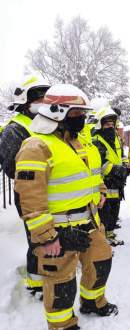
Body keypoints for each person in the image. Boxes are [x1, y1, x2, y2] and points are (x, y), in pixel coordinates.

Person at [15, 84, 117, 330]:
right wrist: (47, 238)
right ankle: (62, 325)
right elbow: (29, 198)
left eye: (82, 113)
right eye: (75, 113)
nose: (81, 118)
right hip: (58, 231)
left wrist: (100, 191)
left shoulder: (79, 141)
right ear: (56, 112)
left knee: (101, 262)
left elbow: (90, 174)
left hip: (89, 222)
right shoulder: (36, 146)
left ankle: (92, 302)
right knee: (61, 284)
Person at [0, 74, 50, 297]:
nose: (42, 103)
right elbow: (12, 167)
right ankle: (37, 283)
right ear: (24, 102)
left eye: (44, 98)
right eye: (37, 99)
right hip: (29, 193)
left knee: (49, 234)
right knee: (37, 236)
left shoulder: (41, 125)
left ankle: (48, 273)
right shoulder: (15, 129)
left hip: (49, 189)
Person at [92, 106, 130, 246]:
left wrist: (126, 165)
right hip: (106, 182)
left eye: (112, 124)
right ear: (100, 125)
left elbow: (121, 154)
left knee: (114, 210)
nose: (110, 127)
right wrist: (116, 170)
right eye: (107, 124)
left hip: (117, 183)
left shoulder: (115, 137)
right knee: (105, 213)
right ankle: (103, 241)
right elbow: (101, 163)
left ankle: (110, 235)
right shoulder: (96, 141)